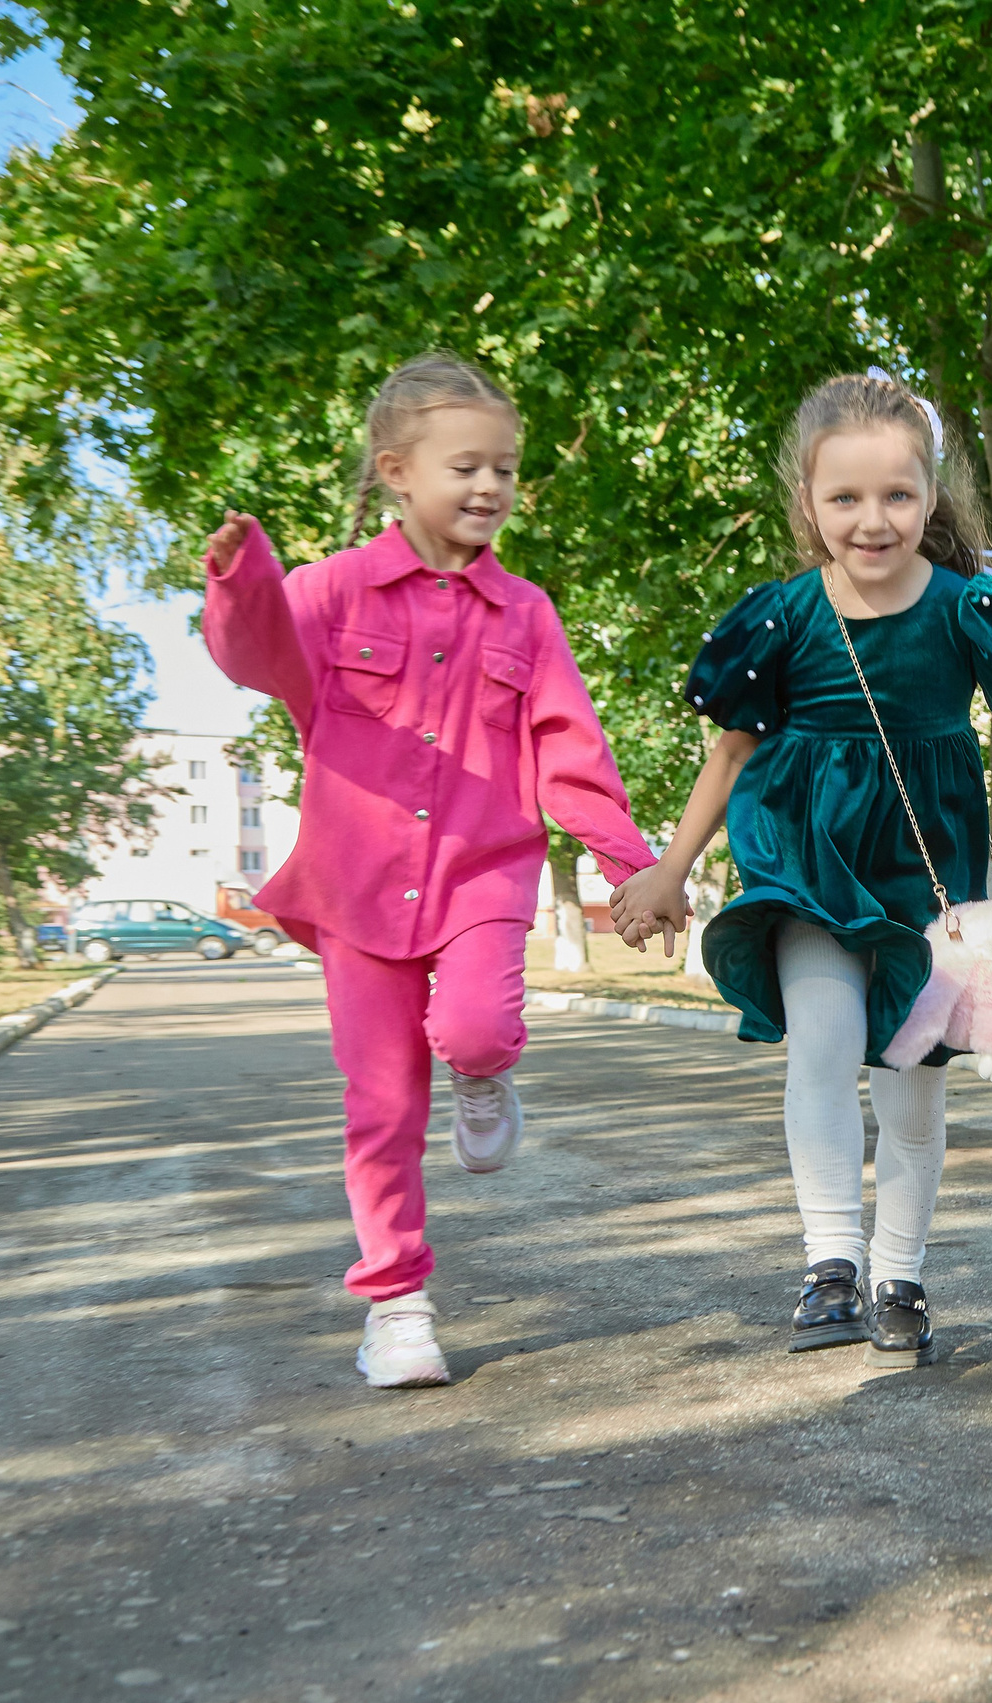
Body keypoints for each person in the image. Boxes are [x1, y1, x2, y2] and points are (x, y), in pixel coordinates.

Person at [605, 371, 992, 1369]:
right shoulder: (779, 619)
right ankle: (831, 1263)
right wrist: (668, 871)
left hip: (924, 877)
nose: (872, 521)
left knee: (912, 1093)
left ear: (930, 497)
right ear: (808, 505)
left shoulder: (969, 609)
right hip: (808, 856)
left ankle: (899, 1277)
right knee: (821, 1045)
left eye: (897, 497)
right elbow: (732, 753)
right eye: (846, 499)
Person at [201, 354, 658, 1389]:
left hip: (481, 874)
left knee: (478, 1028)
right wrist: (240, 580)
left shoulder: (526, 614)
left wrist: (623, 858)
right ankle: (398, 1305)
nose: (491, 487)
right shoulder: (327, 593)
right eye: (468, 467)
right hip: (355, 888)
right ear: (398, 471)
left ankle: (484, 1076)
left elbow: (568, 744)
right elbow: (255, 653)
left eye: (504, 469)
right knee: (380, 1107)